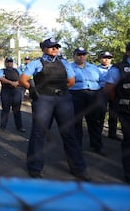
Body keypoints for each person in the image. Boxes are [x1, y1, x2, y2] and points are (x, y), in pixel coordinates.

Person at [19, 37, 90, 181]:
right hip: (43, 100)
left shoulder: (64, 63)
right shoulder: (36, 63)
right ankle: (35, 168)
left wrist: (57, 91)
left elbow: (71, 82)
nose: (55, 49)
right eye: (51, 47)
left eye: (57, 47)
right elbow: (23, 80)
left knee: (69, 134)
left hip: (63, 99)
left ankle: (79, 169)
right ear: (43, 48)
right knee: (39, 133)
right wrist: (34, 90)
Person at [104, 40, 130, 185]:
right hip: (127, 111)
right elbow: (109, 89)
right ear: (128, 51)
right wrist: (118, 102)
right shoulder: (118, 68)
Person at [69, 47, 104, 155]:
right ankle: (77, 147)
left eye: (84, 54)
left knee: (94, 121)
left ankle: (97, 146)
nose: (81, 57)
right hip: (76, 94)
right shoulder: (69, 68)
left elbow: (102, 81)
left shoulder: (94, 68)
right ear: (74, 56)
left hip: (93, 94)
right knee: (76, 122)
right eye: (79, 54)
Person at [0, 57, 25, 132]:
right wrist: (11, 82)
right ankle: (2, 127)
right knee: (5, 110)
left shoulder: (17, 70)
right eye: (8, 62)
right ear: (5, 63)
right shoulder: (2, 70)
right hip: (6, 91)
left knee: (17, 110)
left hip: (16, 91)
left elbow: (22, 77)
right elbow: (0, 78)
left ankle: (19, 127)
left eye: (11, 62)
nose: (9, 63)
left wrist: (17, 83)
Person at [97, 51, 119, 140]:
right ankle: (98, 133)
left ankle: (112, 134)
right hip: (101, 91)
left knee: (114, 113)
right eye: (104, 57)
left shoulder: (115, 68)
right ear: (100, 59)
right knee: (101, 113)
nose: (106, 59)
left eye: (109, 58)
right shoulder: (95, 69)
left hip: (114, 91)